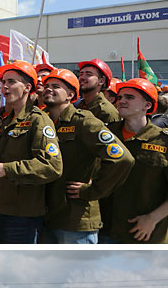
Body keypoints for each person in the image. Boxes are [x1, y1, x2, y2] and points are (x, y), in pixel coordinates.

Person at [0, 60, 63, 245]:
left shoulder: (38, 120)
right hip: (1, 209)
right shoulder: (5, 119)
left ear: (27, 87)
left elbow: (52, 166)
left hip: (24, 216)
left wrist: (6, 169)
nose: (5, 86)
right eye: (4, 82)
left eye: (12, 82)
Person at [40, 70, 134, 242]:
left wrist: (93, 190)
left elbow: (122, 159)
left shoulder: (83, 122)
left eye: (56, 86)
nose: (48, 89)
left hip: (77, 221)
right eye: (46, 86)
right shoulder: (43, 122)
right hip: (48, 218)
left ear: (70, 95)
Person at [110, 76, 168, 242]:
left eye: (130, 97)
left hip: (148, 234)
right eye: (119, 97)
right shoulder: (106, 135)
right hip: (107, 230)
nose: (121, 101)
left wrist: (152, 218)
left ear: (147, 106)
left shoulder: (163, 141)